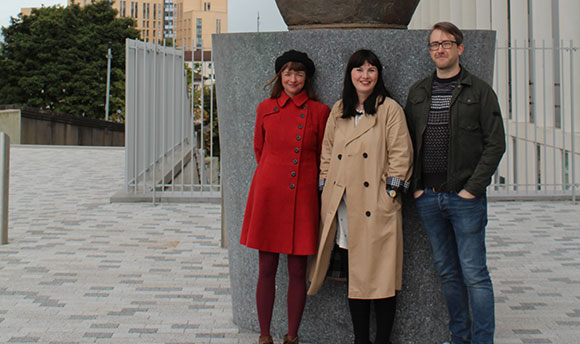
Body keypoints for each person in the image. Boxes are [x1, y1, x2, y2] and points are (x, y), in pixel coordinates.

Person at [404, 22, 506, 344]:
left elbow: (495, 143)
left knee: (475, 275)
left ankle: (482, 340)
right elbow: (405, 143)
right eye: (434, 45)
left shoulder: (479, 91)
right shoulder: (419, 92)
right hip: (429, 198)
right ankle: (459, 337)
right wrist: (417, 187)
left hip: (465, 199)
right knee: (448, 275)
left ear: (460, 48)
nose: (440, 49)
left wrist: (472, 189)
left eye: (446, 43)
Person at [307, 49, 413, 344]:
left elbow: (401, 154)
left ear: (378, 75)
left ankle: (382, 340)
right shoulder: (339, 110)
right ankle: (360, 339)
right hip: (343, 204)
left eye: (371, 70)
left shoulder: (389, 109)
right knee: (356, 275)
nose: (365, 76)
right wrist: (326, 187)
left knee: (381, 276)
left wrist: (390, 193)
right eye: (359, 69)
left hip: (375, 205)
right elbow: (327, 153)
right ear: (350, 74)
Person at [240, 50, 330, 344]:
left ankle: (292, 336)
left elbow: (322, 156)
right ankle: (264, 336)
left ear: (307, 78)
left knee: (297, 270)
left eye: (299, 73)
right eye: (288, 73)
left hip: (302, 197)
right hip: (268, 194)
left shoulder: (319, 111)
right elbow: (259, 149)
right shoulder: (265, 107)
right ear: (280, 76)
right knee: (266, 268)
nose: (293, 79)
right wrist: (273, 177)